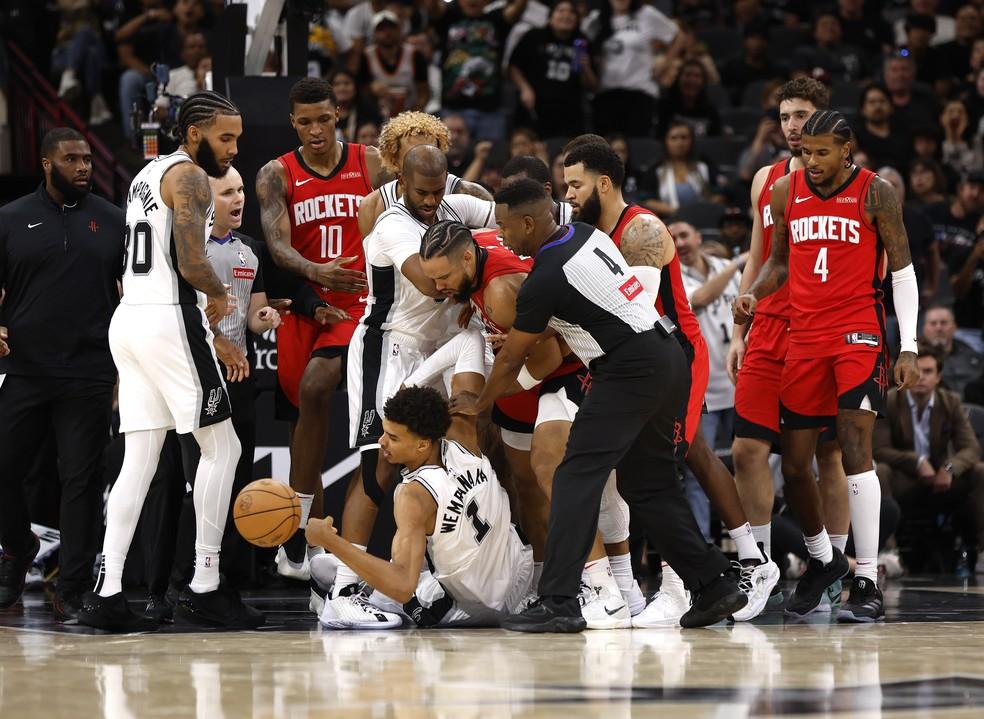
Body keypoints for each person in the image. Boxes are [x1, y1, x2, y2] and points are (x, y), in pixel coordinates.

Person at [451, 179, 746, 632]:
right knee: (646, 484)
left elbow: (511, 357)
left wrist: (481, 406)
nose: (503, 236)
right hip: (666, 357)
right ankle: (715, 584)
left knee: (572, 475)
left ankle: (560, 601)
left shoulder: (546, 276)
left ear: (529, 223)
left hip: (629, 368)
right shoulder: (585, 235)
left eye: (507, 227)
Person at [562, 139, 777, 624]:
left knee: (667, 464)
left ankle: (682, 584)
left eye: (575, 185)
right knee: (692, 452)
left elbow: (634, 305)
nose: (569, 195)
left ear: (602, 182)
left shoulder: (643, 228)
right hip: (634, 361)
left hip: (676, 351)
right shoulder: (588, 227)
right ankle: (750, 560)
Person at [78, 91, 262, 632]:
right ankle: (205, 584)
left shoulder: (148, 172)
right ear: (193, 133)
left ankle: (107, 591)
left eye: (238, 138)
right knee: (223, 446)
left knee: (141, 456)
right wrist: (219, 295)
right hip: (167, 318)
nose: (232, 149)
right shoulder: (190, 178)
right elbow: (189, 259)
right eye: (225, 137)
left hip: (131, 319)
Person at [733, 110, 921, 622]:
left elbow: (902, 271)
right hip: (804, 337)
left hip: (858, 333)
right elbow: (778, 263)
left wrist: (908, 344)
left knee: (854, 446)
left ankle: (865, 576)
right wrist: (751, 296)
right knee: (795, 465)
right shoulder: (783, 192)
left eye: (822, 151)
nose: (811, 161)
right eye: (806, 151)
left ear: (846, 149)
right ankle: (823, 560)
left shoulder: (876, 192)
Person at [418, 220, 646, 627]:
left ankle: (606, 587)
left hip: (569, 369)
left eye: (444, 278)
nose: (438, 288)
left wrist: (493, 395)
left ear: (468, 258)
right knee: (528, 484)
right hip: (526, 372)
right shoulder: (479, 252)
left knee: (560, 472)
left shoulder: (501, 292)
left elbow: (550, 355)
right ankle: (549, 584)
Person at [326, 145, 495, 627]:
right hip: (391, 345)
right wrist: (476, 278)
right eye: (422, 191)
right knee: (379, 462)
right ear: (400, 178)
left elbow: (502, 216)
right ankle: (343, 590)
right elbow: (429, 282)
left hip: (439, 348)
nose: (431, 200)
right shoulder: (393, 223)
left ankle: (420, 582)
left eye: (439, 190)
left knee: (441, 462)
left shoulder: (451, 206)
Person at [728, 79, 851, 614]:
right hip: (769, 325)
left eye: (803, 115)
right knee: (746, 449)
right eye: (784, 116)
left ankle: (834, 567)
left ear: (824, 120)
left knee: (827, 455)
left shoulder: (852, 182)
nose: (792, 126)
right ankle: (758, 565)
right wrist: (739, 326)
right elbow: (758, 255)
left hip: (821, 328)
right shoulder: (765, 178)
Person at [255, 78, 383, 582]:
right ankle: (311, 552)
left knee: (315, 387)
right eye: (305, 121)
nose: (315, 130)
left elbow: (424, 188)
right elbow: (276, 246)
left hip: (358, 303)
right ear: (293, 122)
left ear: (339, 114)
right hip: (306, 306)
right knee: (303, 417)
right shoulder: (276, 174)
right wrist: (315, 272)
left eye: (324, 119)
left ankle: (296, 532)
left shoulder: (369, 161)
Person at [0, 128, 124, 620]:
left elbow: (133, 292)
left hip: (89, 370)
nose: (83, 168)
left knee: (81, 481)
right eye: (71, 159)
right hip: (26, 368)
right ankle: (17, 545)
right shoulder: (10, 219)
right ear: (46, 163)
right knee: (4, 466)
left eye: (88, 160)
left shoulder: (113, 221)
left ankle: (71, 586)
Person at [306, 386, 534, 628]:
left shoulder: (413, 496)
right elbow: (464, 346)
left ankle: (355, 587)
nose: (381, 442)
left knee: (398, 589)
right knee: (427, 547)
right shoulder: (463, 431)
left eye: (393, 438)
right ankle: (362, 570)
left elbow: (403, 587)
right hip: (521, 577)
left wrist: (330, 541)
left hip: (479, 608)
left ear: (422, 445)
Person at [874, 342, 984, 572]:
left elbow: (970, 448)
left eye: (928, 371)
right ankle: (888, 552)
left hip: (942, 478)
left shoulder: (949, 401)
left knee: (980, 472)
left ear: (938, 376)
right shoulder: (891, 400)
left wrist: (951, 468)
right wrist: (916, 461)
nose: (921, 377)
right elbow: (879, 449)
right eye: (917, 371)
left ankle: (982, 551)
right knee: (879, 471)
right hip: (905, 478)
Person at [671, 221, 744, 537]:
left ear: (699, 237)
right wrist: (737, 264)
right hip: (705, 393)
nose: (680, 242)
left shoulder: (724, 266)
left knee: (750, 466)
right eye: (673, 238)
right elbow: (699, 298)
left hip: (739, 383)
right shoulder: (675, 275)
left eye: (685, 234)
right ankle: (705, 547)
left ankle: (757, 544)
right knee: (699, 471)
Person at [357, 111, 492, 240]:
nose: (424, 163)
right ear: (393, 161)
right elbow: (374, 261)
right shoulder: (372, 206)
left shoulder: (471, 195)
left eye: (430, 154)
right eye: (414, 156)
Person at [431, 0, 530, 141]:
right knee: (448, 159)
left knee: (492, 160)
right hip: (452, 110)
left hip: (490, 112)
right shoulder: (449, 17)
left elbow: (519, 6)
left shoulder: (496, 19)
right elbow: (430, 6)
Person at [583, 0, 678, 137]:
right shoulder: (596, 18)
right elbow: (579, 39)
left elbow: (678, 36)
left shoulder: (646, 14)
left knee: (637, 147)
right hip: (605, 94)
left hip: (639, 92)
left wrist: (665, 62)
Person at [508, 0, 596, 139]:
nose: (566, 15)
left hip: (569, 111)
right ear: (550, 17)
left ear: (578, 19)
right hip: (535, 107)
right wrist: (525, 88)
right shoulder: (534, 37)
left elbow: (592, 85)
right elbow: (513, 66)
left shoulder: (582, 42)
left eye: (572, 12)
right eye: (561, 10)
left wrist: (586, 68)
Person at [355, 10, 430, 117]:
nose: (387, 32)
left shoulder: (415, 55)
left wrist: (414, 115)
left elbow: (424, 91)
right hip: (377, 116)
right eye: (381, 29)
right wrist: (370, 88)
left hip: (409, 115)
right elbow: (360, 90)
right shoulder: (366, 57)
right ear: (374, 34)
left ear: (399, 30)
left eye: (391, 27)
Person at [922, 304, 984, 396]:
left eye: (943, 323)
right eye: (933, 323)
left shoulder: (974, 357)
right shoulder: (915, 359)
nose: (938, 328)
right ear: (925, 329)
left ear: (954, 327)